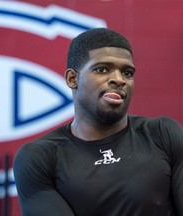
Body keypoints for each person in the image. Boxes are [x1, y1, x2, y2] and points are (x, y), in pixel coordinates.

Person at [13, 28, 183, 216]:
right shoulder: (40, 157)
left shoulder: (162, 134)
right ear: (72, 79)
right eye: (102, 69)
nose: (119, 80)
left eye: (127, 73)